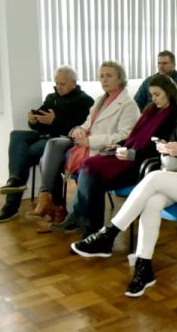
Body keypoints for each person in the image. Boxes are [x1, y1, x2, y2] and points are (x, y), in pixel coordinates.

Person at [70, 70, 177, 297]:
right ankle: (143, 268)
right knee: (152, 203)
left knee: (154, 178)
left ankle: (109, 234)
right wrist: (166, 147)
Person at [56, 73, 177, 235]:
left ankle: (85, 224)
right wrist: (119, 145)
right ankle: (90, 228)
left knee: (91, 168)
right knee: (93, 175)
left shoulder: (175, 114)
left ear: (169, 92)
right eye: (151, 95)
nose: (153, 99)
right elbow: (134, 137)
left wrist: (131, 154)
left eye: (157, 94)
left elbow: (161, 148)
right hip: (130, 155)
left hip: (143, 164)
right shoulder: (152, 109)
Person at [30, 61, 138, 224]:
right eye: (101, 76)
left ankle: (71, 216)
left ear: (120, 79)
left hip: (103, 150)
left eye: (109, 76)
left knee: (57, 161)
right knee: (55, 150)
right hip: (86, 144)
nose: (104, 80)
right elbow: (87, 123)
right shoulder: (101, 99)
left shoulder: (128, 104)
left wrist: (90, 141)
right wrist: (77, 130)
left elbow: (124, 136)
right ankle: (52, 203)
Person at [0, 66, 94, 223]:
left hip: (63, 141)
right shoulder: (51, 97)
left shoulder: (84, 101)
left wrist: (55, 121)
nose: (58, 87)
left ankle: (11, 204)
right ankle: (16, 180)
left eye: (62, 84)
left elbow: (80, 130)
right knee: (17, 135)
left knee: (24, 155)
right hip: (45, 136)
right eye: (56, 83)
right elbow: (39, 124)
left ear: (73, 83)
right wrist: (33, 121)